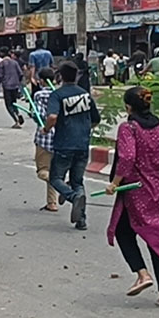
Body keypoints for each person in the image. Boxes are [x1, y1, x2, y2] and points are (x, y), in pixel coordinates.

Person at [107, 87, 159, 308]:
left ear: (128, 107)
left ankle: (142, 273)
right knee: (158, 235)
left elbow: (128, 158)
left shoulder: (128, 128)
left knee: (122, 231)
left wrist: (114, 183)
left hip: (136, 189)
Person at [45, 61, 101, 231]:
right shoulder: (84, 94)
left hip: (64, 144)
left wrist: (46, 128)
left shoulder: (57, 95)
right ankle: (81, 220)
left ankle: (71, 196)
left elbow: (52, 117)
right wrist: (83, 130)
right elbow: (95, 119)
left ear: (60, 76)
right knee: (77, 181)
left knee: (55, 178)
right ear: (76, 75)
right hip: (82, 144)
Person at [31, 67, 60, 212]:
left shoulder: (39, 95)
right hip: (61, 138)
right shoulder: (60, 94)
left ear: (41, 80)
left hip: (44, 137)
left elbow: (39, 115)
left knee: (43, 171)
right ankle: (52, 203)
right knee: (52, 169)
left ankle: (62, 186)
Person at [0, 49, 25, 128]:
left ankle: (16, 120)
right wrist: (18, 82)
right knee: (14, 102)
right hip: (15, 85)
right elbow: (21, 73)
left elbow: (0, 75)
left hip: (7, 86)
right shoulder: (15, 62)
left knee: (8, 105)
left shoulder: (2, 63)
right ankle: (18, 114)